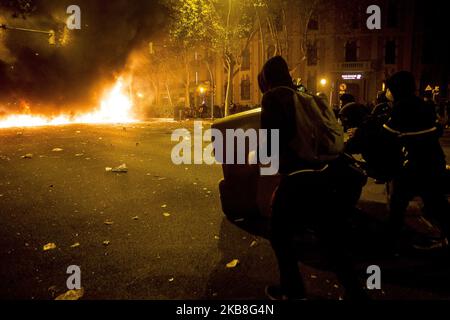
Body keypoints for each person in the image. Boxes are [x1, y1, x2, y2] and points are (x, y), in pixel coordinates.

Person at [259, 56, 367, 300]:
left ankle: (293, 290)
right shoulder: (305, 96)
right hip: (324, 176)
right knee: (331, 240)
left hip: (296, 180)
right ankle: (356, 293)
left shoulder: (274, 98)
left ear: (267, 79)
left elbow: (270, 146)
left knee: (279, 235)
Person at [383, 71, 450, 248]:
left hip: (417, 164)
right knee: (435, 202)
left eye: (390, 89)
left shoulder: (402, 107)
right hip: (433, 160)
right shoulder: (424, 105)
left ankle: (391, 241)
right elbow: (435, 129)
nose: (388, 92)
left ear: (397, 89)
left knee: (399, 201)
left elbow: (388, 133)